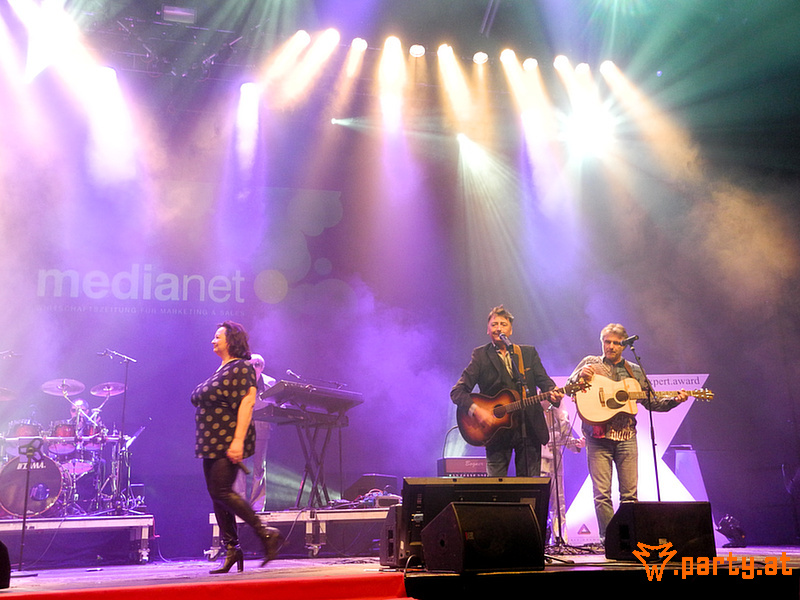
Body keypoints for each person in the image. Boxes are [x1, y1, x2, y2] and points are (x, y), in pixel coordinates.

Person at [567, 323, 689, 543]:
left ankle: (629, 540)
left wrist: (675, 401)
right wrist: (578, 378)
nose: (611, 347)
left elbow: (652, 401)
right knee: (601, 494)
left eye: (616, 343)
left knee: (629, 496)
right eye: (607, 342)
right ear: (602, 342)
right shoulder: (590, 363)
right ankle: (609, 541)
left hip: (626, 437)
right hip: (597, 437)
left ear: (623, 346)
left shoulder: (634, 370)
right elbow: (568, 388)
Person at [191, 321, 282, 573]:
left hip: (227, 437)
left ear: (230, 340)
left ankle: (266, 533)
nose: (213, 340)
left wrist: (238, 441)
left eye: (217, 336)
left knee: (221, 491)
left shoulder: (242, 366)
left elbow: (247, 403)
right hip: (211, 441)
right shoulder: (222, 368)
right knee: (217, 495)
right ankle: (233, 548)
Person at [451, 305, 563, 477]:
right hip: (495, 433)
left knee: (529, 487)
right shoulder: (480, 355)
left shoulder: (527, 353)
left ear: (510, 330)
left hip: (528, 428)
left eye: (503, 324)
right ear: (487, 330)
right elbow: (457, 392)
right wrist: (477, 411)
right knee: (496, 487)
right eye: (494, 324)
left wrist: (552, 392)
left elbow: (544, 380)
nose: (498, 328)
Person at [540, 404, 584, 545]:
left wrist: (577, 444)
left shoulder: (560, 414)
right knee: (540, 500)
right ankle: (538, 536)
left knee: (558, 500)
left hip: (555, 461)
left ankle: (559, 537)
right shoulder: (534, 413)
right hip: (538, 461)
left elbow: (567, 438)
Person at [244, 353, 276, 511]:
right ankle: (239, 504)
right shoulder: (239, 382)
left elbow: (277, 403)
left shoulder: (270, 382)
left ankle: (257, 506)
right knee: (239, 467)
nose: (253, 367)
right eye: (250, 365)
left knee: (259, 467)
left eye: (256, 365)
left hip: (261, 428)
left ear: (262, 367)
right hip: (242, 428)